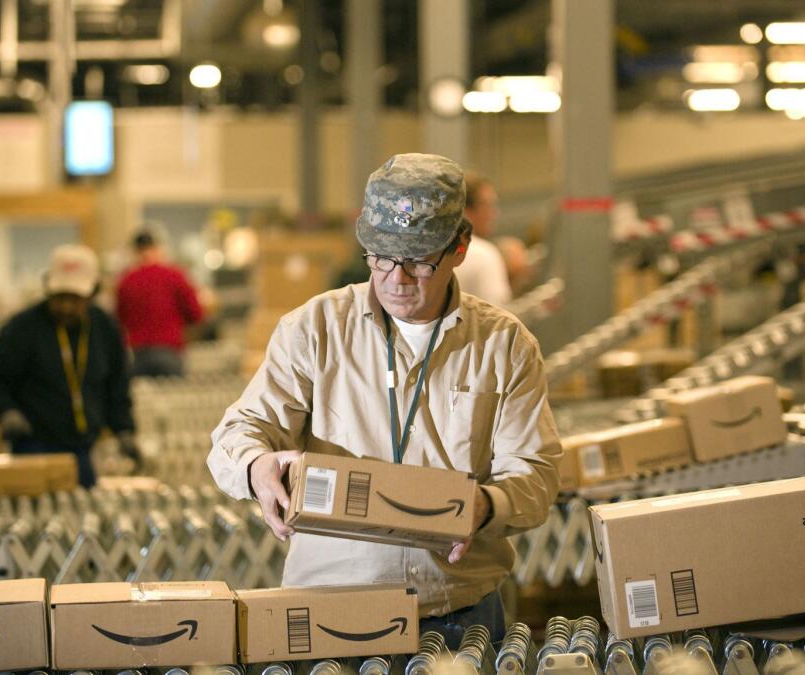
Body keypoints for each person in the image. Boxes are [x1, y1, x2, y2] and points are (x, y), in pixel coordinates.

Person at [208, 153, 561, 647]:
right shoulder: (314, 329)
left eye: (418, 260)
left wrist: (485, 506)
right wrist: (254, 467)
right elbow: (240, 431)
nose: (396, 278)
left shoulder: (503, 345)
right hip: (330, 610)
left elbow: (537, 474)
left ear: (460, 246)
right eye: (381, 257)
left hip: (457, 613)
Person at [0, 244, 140, 487]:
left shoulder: (105, 328)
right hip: (33, 448)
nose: (66, 307)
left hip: (85, 450)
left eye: (75, 299)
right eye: (59, 297)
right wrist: (5, 411)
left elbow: (117, 385)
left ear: (92, 292)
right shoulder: (22, 328)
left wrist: (124, 429)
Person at [115, 229, 204, 377]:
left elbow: (120, 319)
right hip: (169, 351)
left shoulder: (126, 281)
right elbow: (195, 314)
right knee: (174, 397)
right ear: (158, 248)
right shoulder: (175, 276)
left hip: (138, 354)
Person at [455, 173, 513, 305]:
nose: (494, 213)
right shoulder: (484, 255)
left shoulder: (433, 252)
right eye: (488, 205)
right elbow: (497, 318)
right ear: (466, 210)